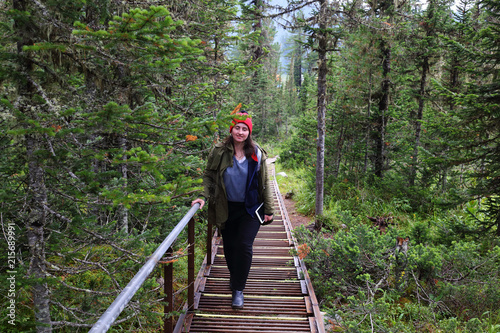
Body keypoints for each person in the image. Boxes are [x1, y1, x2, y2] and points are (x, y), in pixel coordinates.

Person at [192, 110, 274, 309]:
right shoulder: (219, 151)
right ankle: (234, 277)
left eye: (244, 129)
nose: (240, 132)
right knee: (229, 247)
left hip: (251, 209)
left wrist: (269, 208)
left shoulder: (257, 152)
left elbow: (265, 182)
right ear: (231, 129)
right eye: (237, 127)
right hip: (225, 208)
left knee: (244, 246)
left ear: (249, 132)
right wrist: (203, 196)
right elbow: (209, 176)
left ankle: (238, 289)